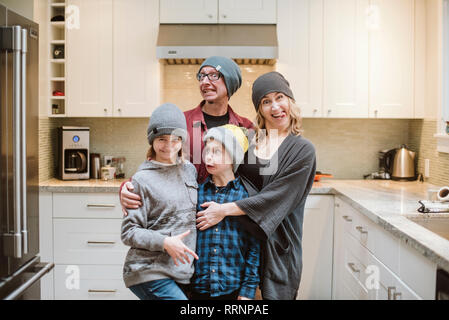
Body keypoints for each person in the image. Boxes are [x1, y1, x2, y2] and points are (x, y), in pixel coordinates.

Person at [195, 72, 317, 300]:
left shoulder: (303, 150)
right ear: (260, 109)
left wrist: (223, 210)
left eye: (280, 97)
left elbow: (276, 198)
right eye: (266, 101)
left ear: (290, 100)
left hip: (277, 248)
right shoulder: (249, 141)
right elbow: (212, 168)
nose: (275, 107)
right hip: (239, 249)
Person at [119, 56, 254, 214]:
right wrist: (127, 187)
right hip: (182, 218)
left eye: (214, 75)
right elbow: (154, 165)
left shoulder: (245, 127)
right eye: (201, 76)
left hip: (229, 223)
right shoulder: (180, 122)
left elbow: (252, 181)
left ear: (230, 83)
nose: (204, 81)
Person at [121, 103, 199, 300]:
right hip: (148, 270)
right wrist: (164, 242)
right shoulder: (142, 179)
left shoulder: (190, 170)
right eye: (162, 139)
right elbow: (129, 232)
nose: (169, 146)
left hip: (180, 271)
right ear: (152, 140)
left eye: (175, 140)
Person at [190, 124, 260, 301]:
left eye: (217, 152)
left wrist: (248, 290)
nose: (209, 157)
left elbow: (254, 247)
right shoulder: (197, 193)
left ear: (233, 157)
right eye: (207, 151)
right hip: (198, 288)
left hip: (233, 289)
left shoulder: (245, 196)